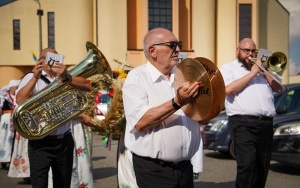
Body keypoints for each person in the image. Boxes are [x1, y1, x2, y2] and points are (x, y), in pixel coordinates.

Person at [122, 28, 203, 188]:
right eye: (172, 45)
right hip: (155, 170)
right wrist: (177, 101)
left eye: (179, 44)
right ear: (153, 51)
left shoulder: (184, 76)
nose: (178, 49)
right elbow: (140, 122)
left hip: (185, 167)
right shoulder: (137, 77)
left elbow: (200, 116)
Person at [15, 47, 92, 188]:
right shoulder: (30, 77)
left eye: (55, 57)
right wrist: (35, 77)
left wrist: (66, 77)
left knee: (62, 184)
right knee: (39, 184)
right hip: (40, 143)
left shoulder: (66, 77)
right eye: (46, 58)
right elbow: (20, 100)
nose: (51, 61)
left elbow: (88, 86)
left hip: (64, 142)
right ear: (40, 61)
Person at [220, 38, 283, 188]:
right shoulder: (229, 68)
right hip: (243, 123)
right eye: (246, 50)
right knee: (247, 164)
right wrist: (252, 74)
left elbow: (279, 88)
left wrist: (265, 71)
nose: (250, 54)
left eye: (253, 50)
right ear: (238, 50)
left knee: (262, 166)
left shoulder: (264, 69)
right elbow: (228, 89)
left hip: (266, 123)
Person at [0, 80, 20, 169]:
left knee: (12, 139)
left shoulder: (17, 97)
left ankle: (9, 158)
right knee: (4, 137)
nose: (17, 88)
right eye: (16, 87)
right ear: (11, 87)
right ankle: (3, 158)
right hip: (6, 119)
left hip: (14, 118)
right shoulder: (4, 97)